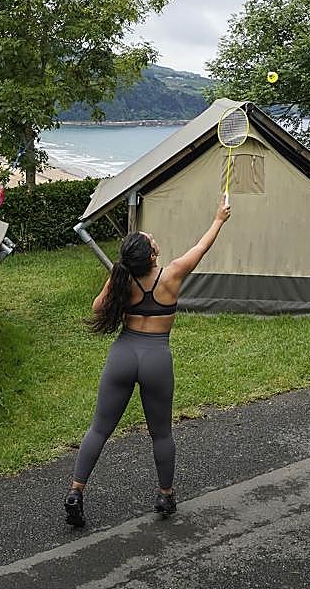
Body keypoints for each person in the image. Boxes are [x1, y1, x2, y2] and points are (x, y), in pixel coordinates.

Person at [64, 200, 232, 528]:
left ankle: (75, 492)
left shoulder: (122, 278)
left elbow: (99, 307)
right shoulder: (172, 275)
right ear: (152, 256)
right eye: (151, 239)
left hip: (123, 355)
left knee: (99, 428)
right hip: (156, 358)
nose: (153, 237)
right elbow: (202, 245)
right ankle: (165, 495)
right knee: (161, 433)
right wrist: (219, 219)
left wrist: (114, 279)